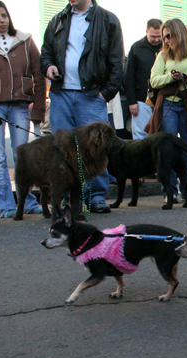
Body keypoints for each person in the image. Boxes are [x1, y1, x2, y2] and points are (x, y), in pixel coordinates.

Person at [40, 0, 124, 214]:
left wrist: (105, 93)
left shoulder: (108, 19)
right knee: (63, 148)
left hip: (91, 93)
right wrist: (48, 66)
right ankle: (70, 199)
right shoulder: (57, 19)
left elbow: (117, 61)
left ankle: (96, 196)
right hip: (61, 93)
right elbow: (46, 51)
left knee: (97, 147)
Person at [145, 18, 187, 202]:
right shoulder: (163, 56)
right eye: (164, 37)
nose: (165, 41)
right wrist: (172, 77)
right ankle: (169, 192)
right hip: (169, 105)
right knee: (168, 151)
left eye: (168, 36)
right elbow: (154, 80)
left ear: (178, 34)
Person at [0, 0, 45, 218]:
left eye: (4, 15)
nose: (2, 20)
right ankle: (4, 204)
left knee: (23, 155)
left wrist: (38, 111)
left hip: (20, 105)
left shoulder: (24, 39)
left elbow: (39, 75)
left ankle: (28, 200)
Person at [125, 19, 162, 140]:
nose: (156, 40)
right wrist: (132, 101)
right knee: (141, 137)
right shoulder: (136, 47)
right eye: (153, 36)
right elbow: (129, 76)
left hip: (163, 100)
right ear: (146, 32)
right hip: (141, 101)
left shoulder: (167, 47)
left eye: (159, 36)